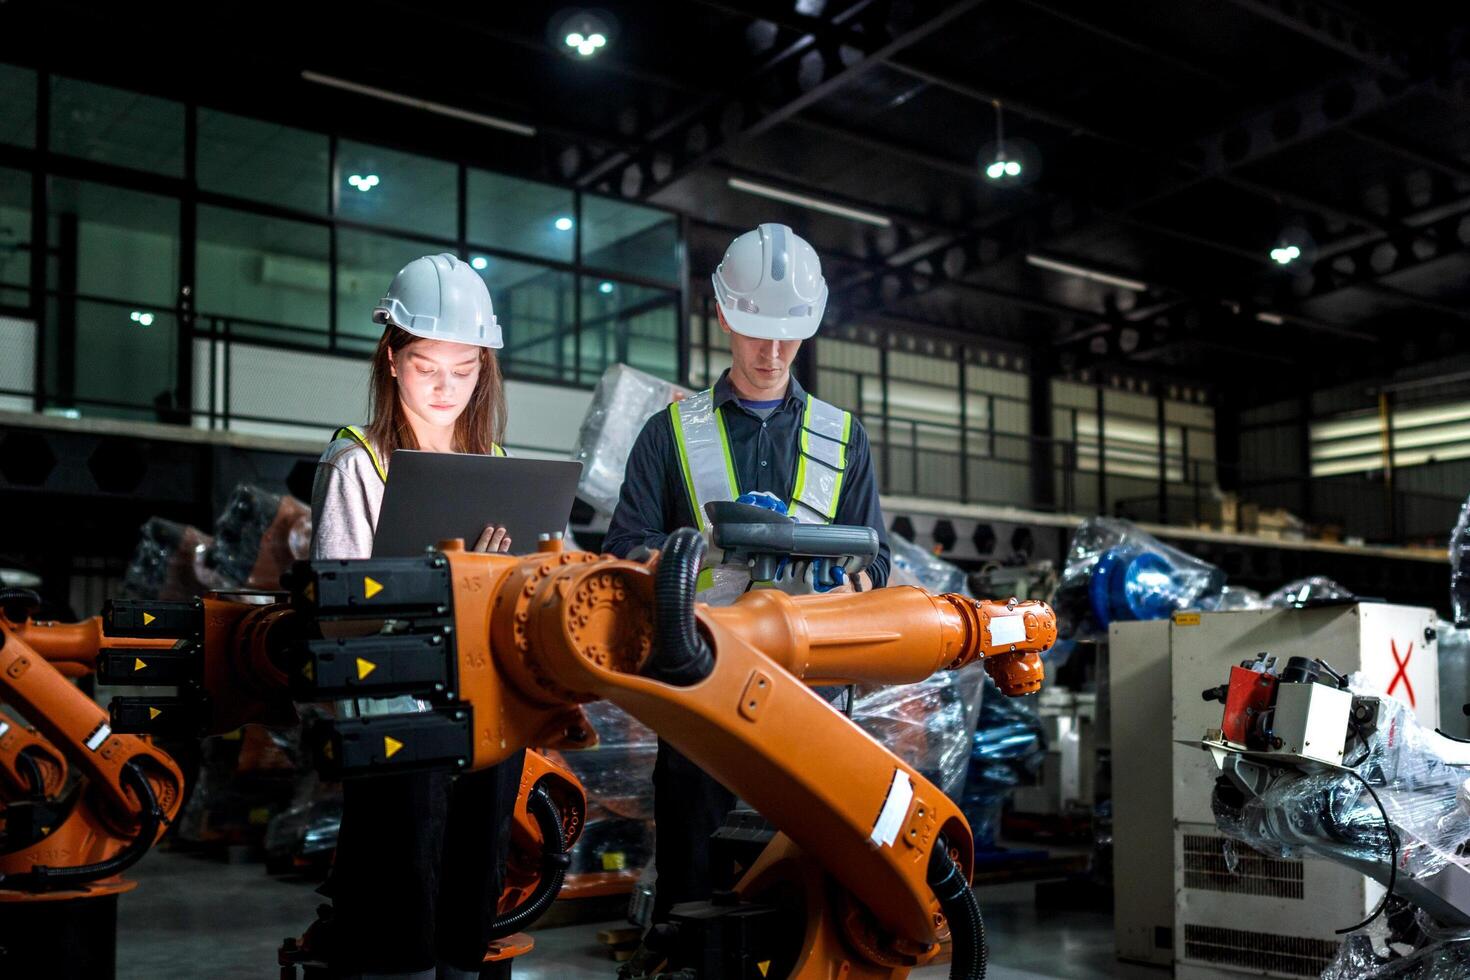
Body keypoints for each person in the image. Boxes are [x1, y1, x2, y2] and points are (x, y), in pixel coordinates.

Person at [602, 223, 892, 925]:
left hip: (814, 700)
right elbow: (624, 552)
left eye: (791, 333)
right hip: (702, 696)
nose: (774, 352)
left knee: (805, 888)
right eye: (759, 330)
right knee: (693, 892)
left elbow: (876, 559)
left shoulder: (843, 436)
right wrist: (699, 555)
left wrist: (857, 585)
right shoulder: (669, 433)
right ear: (724, 313)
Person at [309, 252, 521, 980]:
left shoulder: (494, 463)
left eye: (464, 371)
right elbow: (335, 621)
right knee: (398, 904)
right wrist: (432, 572)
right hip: (393, 713)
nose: (445, 387)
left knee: (468, 897)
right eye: (428, 365)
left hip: (479, 705)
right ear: (393, 358)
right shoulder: (358, 464)